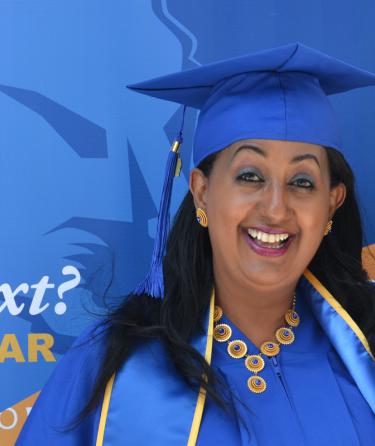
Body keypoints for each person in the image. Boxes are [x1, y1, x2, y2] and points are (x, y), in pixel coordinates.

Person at [17, 42, 375, 446]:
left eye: (303, 182)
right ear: (202, 191)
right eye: (250, 176)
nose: (276, 209)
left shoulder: (364, 346)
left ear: (332, 203)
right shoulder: (111, 363)